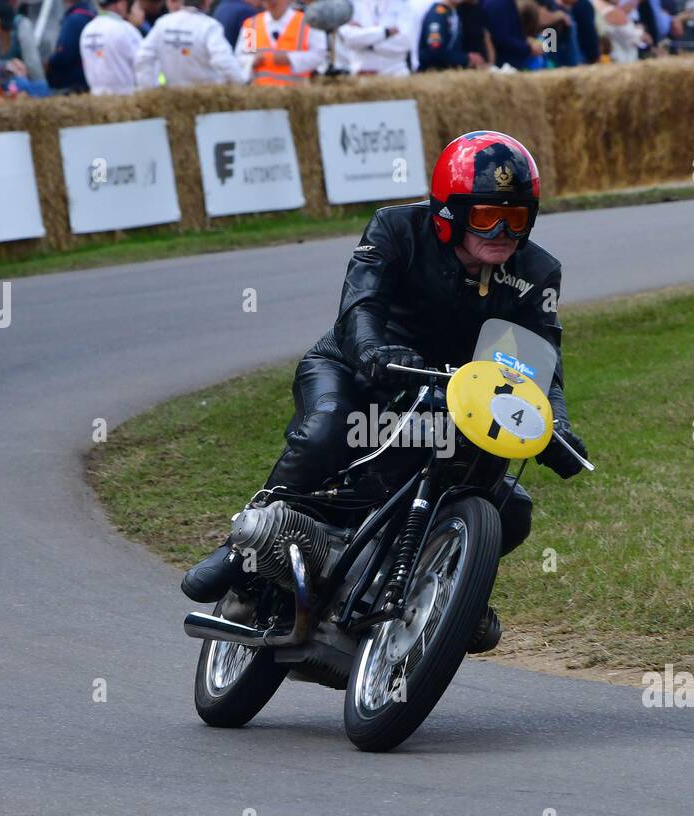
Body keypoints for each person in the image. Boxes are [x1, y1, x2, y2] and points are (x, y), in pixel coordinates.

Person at [180, 131, 589, 644]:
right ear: (449, 214)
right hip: (354, 367)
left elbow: (539, 359)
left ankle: (451, 589)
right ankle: (243, 547)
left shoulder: (539, 271)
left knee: (512, 508)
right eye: (487, 216)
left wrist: (557, 423)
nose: (504, 230)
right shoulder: (395, 228)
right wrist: (375, 353)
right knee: (328, 427)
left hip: (453, 396)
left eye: (518, 217)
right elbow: (361, 306)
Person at [134, 0, 243, 88]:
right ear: (205, 2)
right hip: (206, 99)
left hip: (172, 98)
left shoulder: (163, 23)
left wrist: (149, 89)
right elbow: (223, 60)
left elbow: (142, 58)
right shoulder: (209, 26)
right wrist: (240, 83)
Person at [236, 0, 327, 86]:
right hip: (260, 94)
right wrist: (253, 60)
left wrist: (290, 59)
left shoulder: (307, 23)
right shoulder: (252, 25)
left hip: (296, 94)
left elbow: (320, 55)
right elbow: (242, 57)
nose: (272, 2)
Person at [80, 0, 142, 94]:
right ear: (121, 4)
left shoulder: (87, 30)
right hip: (126, 99)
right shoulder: (126, 29)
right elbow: (142, 64)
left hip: (96, 98)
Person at [338, 0, 413, 76]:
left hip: (395, 75)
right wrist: (386, 32)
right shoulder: (351, 4)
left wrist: (364, 40)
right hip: (360, 75)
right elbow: (348, 37)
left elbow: (404, 42)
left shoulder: (404, 5)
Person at [417, 0, 486, 70]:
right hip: (433, 73)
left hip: (447, 72)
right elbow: (435, 51)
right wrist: (466, 59)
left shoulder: (453, 12)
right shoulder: (438, 14)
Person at [48, 0, 97, 92]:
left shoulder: (74, 20)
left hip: (73, 85)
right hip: (89, 82)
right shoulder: (92, 15)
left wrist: (49, 63)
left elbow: (64, 56)